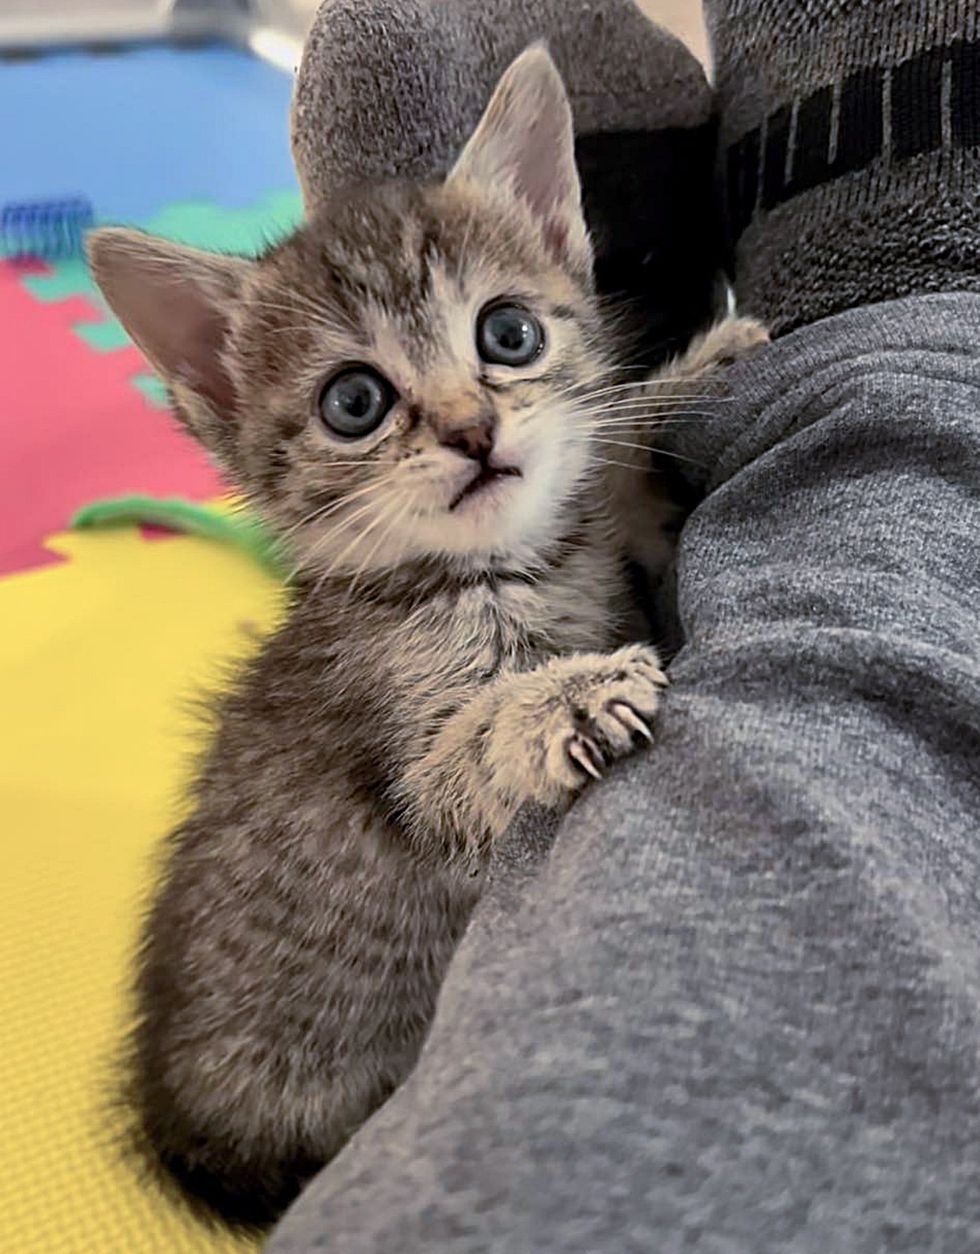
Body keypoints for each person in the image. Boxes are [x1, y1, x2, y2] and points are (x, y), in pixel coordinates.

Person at [267, 1, 980, 1248]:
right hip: (350, 1052)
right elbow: (441, 774)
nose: (461, 418)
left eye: (499, 334)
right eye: (359, 396)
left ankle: (857, 408)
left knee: (739, 595)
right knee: (878, 557)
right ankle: (896, 355)